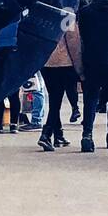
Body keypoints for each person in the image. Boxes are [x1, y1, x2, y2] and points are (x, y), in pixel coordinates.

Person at [77, 0, 108, 152]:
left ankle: (87, 135)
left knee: (91, 99)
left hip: (92, 61)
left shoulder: (86, 12)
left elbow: (80, 38)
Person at [38, 22, 83, 151]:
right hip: (63, 62)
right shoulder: (67, 14)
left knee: (53, 99)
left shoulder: (45, 11)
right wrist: (79, 68)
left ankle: (58, 135)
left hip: (45, 62)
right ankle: (46, 134)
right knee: (55, 102)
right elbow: (73, 43)